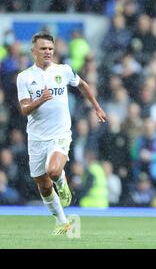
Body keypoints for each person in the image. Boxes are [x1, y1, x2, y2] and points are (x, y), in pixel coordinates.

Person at [16, 32, 107, 235]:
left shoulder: (63, 71)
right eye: (43, 48)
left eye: (50, 48)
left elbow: (83, 85)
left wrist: (97, 107)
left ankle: (62, 182)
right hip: (36, 137)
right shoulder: (24, 77)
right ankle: (62, 222)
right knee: (44, 186)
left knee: (54, 171)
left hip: (60, 133)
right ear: (34, 51)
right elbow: (24, 109)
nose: (47, 52)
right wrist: (40, 100)